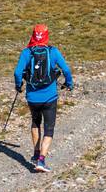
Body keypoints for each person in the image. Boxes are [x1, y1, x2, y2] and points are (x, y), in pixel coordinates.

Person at [13, 24, 73, 173]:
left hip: (32, 97)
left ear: (33, 35)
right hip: (50, 97)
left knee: (35, 122)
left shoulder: (27, 53)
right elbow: (66, 70)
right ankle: (41, 160)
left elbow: (17, 72)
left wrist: (18, 85)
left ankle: (35, 152)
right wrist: (69, 83)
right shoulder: (53, 52)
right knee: (49, 128)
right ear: (46, 36)